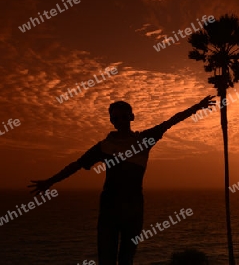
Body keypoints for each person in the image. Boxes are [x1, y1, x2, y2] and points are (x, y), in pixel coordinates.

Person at [28, 95, 215, 265]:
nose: (120, 121)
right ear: (111, 120)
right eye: (115, 118)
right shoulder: (104, 146)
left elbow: (171, 121)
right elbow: (77, 165)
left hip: (134, 209)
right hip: (109, 208)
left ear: (132, 117)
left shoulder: (145, 139)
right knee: (106, 259)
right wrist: (50, 181)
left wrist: (197, 107)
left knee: (126, 259)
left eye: (124, 116)